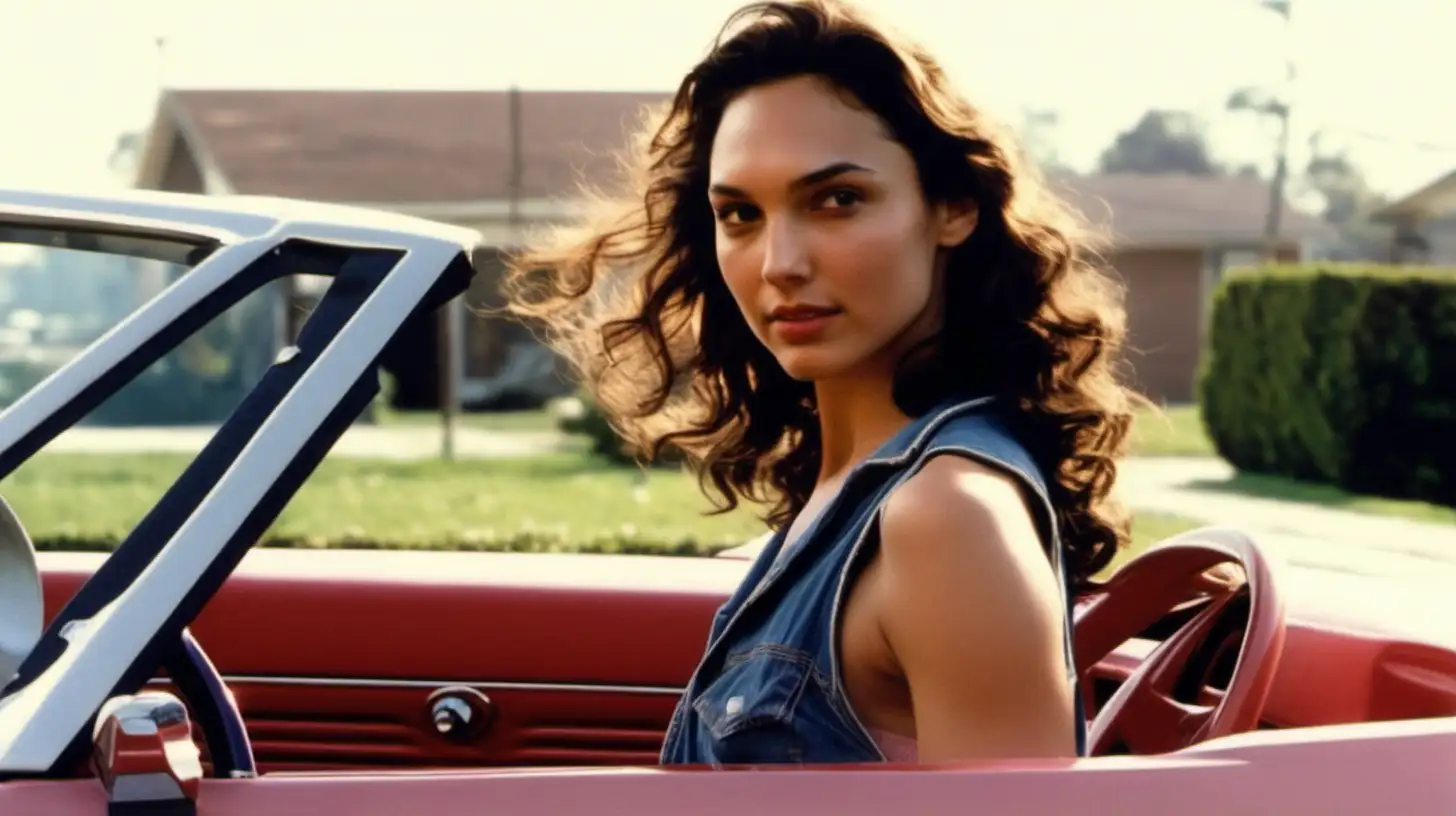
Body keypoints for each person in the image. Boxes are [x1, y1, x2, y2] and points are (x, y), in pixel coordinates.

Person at [504, 0, 1143, 765]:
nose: (779, 263)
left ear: (953, 207)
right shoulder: (850, 494)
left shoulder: (946, 517)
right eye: (740, 213)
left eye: (836, 200)